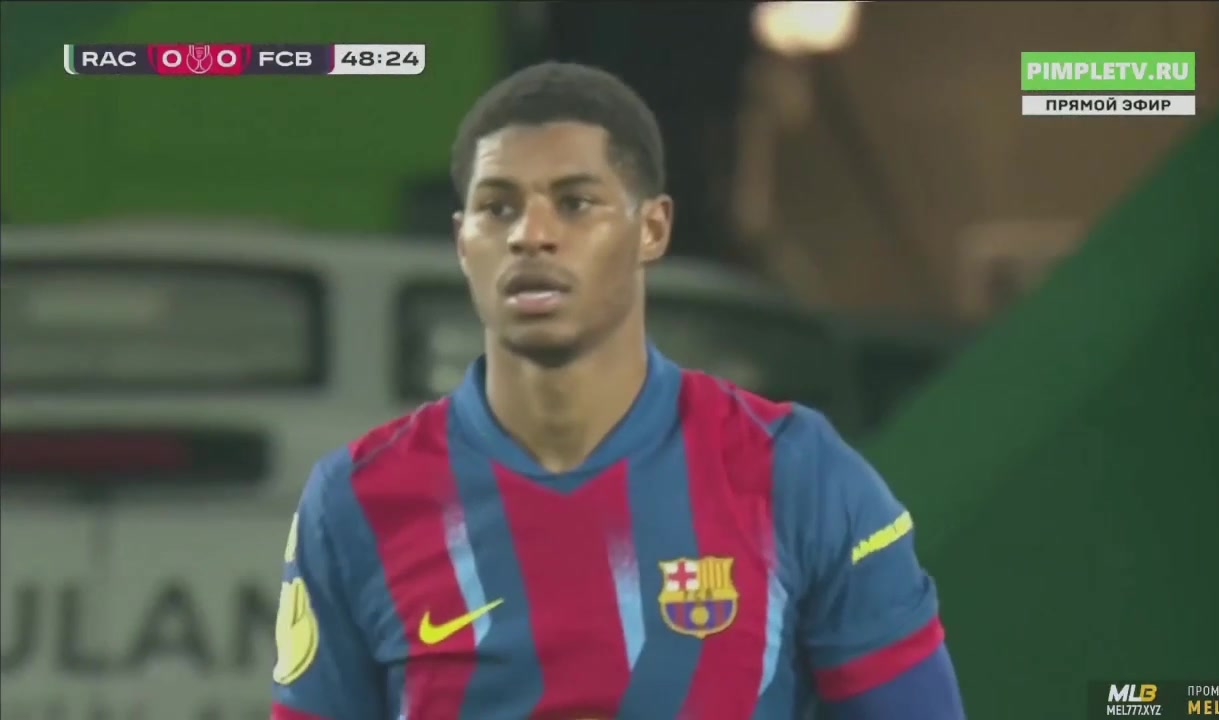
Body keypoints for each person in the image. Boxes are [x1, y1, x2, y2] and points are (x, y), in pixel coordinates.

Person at [270, 61, 964, 720]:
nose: (531, 236)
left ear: (652, 229)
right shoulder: (355, 500)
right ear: (462, 242)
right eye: (498, 208)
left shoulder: (796, 474)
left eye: (575, 204)